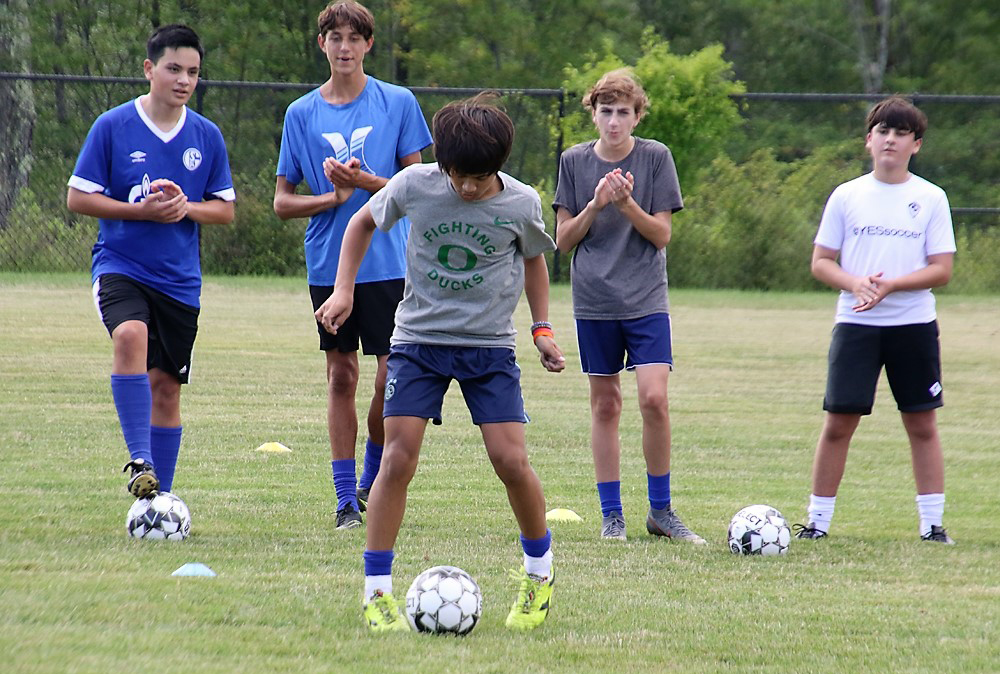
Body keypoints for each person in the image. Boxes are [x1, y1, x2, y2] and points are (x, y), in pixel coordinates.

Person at [315, 93, 565, 632]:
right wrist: (343, 292)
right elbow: (360, 225)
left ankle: (538, 576)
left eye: (480, 177)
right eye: (459, 175)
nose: (468, 187)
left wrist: (541, 329)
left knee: (510, 462)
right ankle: (376, 591)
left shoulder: (521, 201)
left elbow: (534, 261)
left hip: (489, 347)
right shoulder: (415, 185)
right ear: (443, 163)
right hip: (418, 341)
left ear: (497, 167)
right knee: (398, 459)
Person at [274, 0, 433, 530]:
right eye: (333, 37)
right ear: (321, 44)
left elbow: (424, 190)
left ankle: (369, 476)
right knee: (342, 376)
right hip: (328, 267)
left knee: (392, 380)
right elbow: (282, 202)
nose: (344, 47)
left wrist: (366, 185)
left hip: (392, 263)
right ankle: (345, 500)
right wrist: (332, 198)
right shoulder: (301, 114)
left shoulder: (399, 102)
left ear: (368, 45)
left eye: (354, 37)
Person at [66, 24, 235, 499]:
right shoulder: (113, 126)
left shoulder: (206, 136)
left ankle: (158, 500)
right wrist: (137, 211)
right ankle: (139, 458)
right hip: (120, 264)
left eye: (194, 72)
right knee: (130, 334)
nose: (184, 80)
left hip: (180, 282)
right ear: (149, 69)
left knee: (166, 388)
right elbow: (78, 198)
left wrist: (185, 208)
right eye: (174, 69)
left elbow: (224, 210)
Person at [794, 96, 957, 544]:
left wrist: (891, 285)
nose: (891, 139)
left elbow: (941, 269)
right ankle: (818, 523)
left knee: (921, 422)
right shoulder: (847, 195)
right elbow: (822, 261)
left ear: (916, 144)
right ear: (869, 140)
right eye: (883, 131)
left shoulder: (930, 198)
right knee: (839, 421)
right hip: (857, 327)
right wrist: (855, 282)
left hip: (913, 326)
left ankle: (932, 525)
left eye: (901, 133)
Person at [553, 69, 704, 544]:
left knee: (654, 399)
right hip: (595, 300)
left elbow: (661, 235)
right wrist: (596, 205)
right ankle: (612, 516)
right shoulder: (574, 161)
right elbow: (562, 241)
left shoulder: (656, 157)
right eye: (605, 111)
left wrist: (626, 205)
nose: (613, 121)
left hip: (645, 298)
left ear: (638, 116)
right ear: (593, 114)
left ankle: (661, 511)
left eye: (623, 112)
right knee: (606, 405)